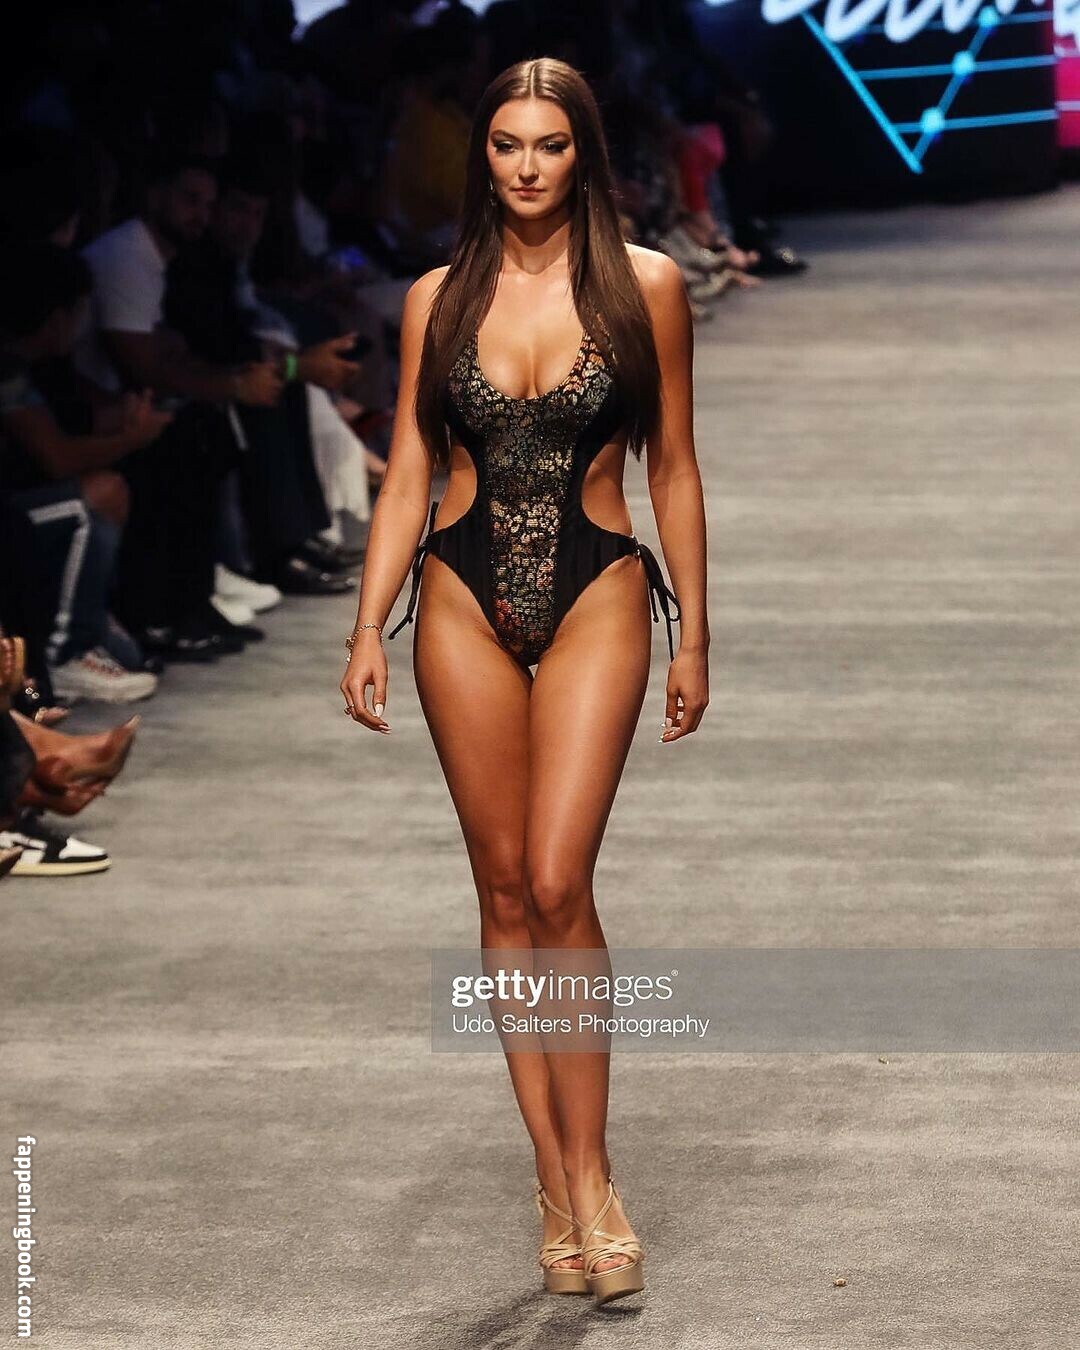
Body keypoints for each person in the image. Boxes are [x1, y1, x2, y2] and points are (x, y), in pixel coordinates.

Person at [339, 58, 709, 1305]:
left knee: (559, 879)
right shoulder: (436, 299)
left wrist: (697, 634)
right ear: (483, 156)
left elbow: (674, 466)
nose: (528, 167)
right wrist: (366, 624)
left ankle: (596, 1176)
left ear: (583, 155)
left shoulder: (648, 287)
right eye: (506, 145)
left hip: (601, 584)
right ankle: (555, 1186)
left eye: (550, 145)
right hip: (456, 593)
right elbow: (408, 467)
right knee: (502, 888)